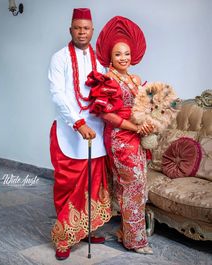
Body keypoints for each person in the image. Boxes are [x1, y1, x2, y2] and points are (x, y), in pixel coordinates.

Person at [86, 16, 154, 254]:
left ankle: (127, 232)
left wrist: (147, 122)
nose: (123, 58)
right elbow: (107, 115)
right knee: (132, 185)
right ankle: (136, 242)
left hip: (137, 137)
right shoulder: (107, 79)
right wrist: (135, 127)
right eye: (118, 54)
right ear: (110, 57)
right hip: (119, 138)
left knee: (138, 185)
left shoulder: (135, 79)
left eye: (126, 53)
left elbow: (143, 107)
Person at [48, 8, 112, 260]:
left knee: (92, 185)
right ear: (70, 30)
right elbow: (58, 94)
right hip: (69, 131)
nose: (82, 32)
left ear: (92, 30)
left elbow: (106, 95)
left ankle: (85, 229)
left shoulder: (100, 62)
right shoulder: (59, 58)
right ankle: (64, 238)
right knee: (67, 185)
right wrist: (77, 123)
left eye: (86, 28)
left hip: (96, 132)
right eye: (77, 28)